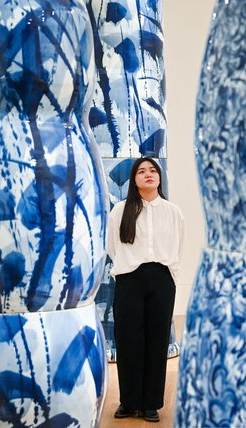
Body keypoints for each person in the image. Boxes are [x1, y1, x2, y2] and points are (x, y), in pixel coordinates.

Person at [107, 157, 185, 423]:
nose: (148, 174)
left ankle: (151, 403)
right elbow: (112, 247)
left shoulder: (172, 211)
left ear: (160, 177)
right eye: (142, 171)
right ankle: (128, 402)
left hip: (162, 280)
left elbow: (178, 245)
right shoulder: (120, 210)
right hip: (130, 279)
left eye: (153, 170)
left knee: (156, 340)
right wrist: (129, 268)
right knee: (128, 340)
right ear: (134, 179)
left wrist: (171, 276)